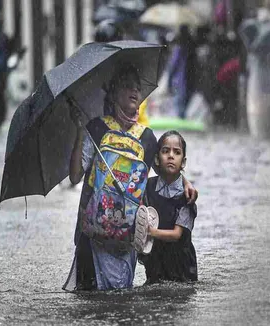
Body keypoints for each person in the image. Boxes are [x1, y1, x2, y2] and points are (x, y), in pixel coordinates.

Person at [63, 65, 197, 291]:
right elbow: (75, 176)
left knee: (121, 298)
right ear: (113, 93)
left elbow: (167, 169)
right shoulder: (96, 129)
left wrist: (186, 182)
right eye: (127, 86)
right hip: (92, 238)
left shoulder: (146, 138)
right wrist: (79, 132)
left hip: (127, 239)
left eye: (137, 87)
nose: (134, 91)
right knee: (90, 303)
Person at [140, 130, 198, 283]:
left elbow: (177, 234)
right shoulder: (148, 187)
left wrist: (150, 232)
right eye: (165, 151)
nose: (171, 155)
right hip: (156, 261)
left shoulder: (186, 197)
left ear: (183, 162)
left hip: (181, 266)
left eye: (176, 152)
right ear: (157, 160)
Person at [166, 25, 197, 119]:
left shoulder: (179, 49)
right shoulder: (191, 49)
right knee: (183, 108)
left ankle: (181, 127)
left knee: (180, 109)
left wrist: (169, 83)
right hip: (188, 82)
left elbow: (172, 67)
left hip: (180, 82)